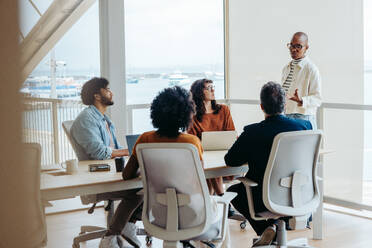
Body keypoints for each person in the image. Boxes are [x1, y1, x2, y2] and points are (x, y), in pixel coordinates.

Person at [121, 86, 231, 248]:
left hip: (158, 216)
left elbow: (127, 175)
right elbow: (198, 180)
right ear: (187, 113)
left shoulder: (145, 139)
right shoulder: (191, 142)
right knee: (222, 207)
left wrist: (147, 169)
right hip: (194, 216)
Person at [225, 82, 312, 247]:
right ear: (285, 105)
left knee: (234, 192)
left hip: (263, 198)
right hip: (298, 194)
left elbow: (230, 161)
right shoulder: (305, 127)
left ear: (261, 106)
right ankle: (273, 227)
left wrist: (246, 146)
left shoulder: (252, 132)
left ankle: (266, 228)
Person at [70, 78, 142, 248]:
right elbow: (101, 154)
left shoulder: (105, 120)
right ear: (96, 95)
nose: (111, 92)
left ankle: (127, 226)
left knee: (147, 179)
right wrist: (132, 150)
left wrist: (131, 152)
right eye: (107, 89)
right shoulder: (86, 119)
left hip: (109, 172)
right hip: (95, 179)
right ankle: (112, 235)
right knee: (139, 188)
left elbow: (114, 151)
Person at [188, 79, 236, 197]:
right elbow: (192, 140)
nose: (213, 90)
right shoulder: (192, 116)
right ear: (199, 92)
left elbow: (231, 133)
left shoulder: (223, 110)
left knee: (211, 168)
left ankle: (214, 202)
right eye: (209, 88)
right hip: (204, 156)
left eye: (213, 87)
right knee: (209, 166)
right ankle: (220, 197)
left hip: (223, 153)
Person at [282, 32, 321, 129]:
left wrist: (301, 100)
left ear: (306, 47)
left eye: (298, 46)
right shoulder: (286, 68)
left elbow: (317, 99)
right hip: (286, 116)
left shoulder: (311, 69)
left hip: (303, 118)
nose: (293, 49)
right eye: (291, 45)